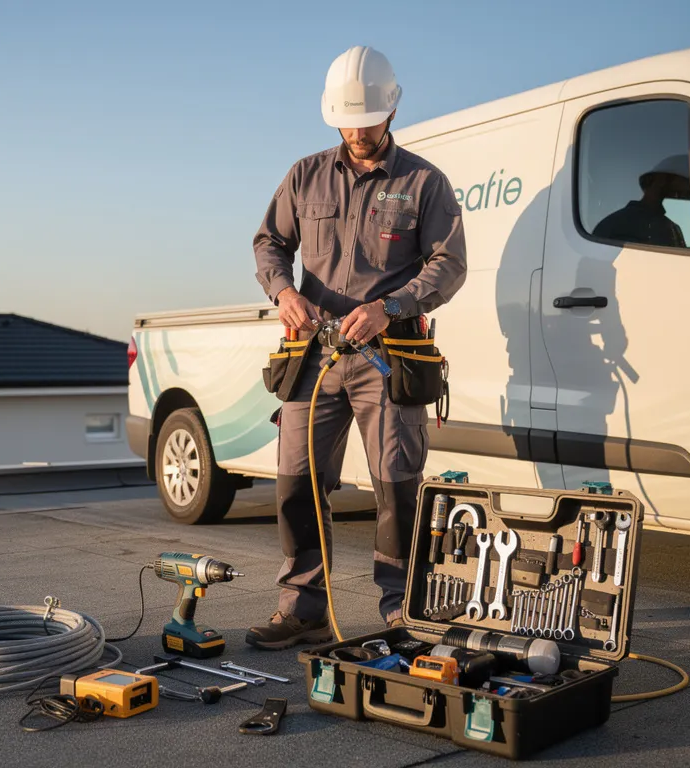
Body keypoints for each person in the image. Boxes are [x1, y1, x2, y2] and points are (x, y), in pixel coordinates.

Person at [247, 46, 468, 649]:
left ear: (390, 111)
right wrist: (283, 291)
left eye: (368, 120)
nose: (358, 132)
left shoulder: (424, 182)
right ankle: (303, 605)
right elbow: (269, 243)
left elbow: (450, 265)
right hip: (312, 357)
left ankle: (402, 610)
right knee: (295, 480)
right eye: (348, 121)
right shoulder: (304, 175)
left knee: (396, 485)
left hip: (387, 359)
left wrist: (388, 307)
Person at [591, 154, 690, 248]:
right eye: (687, 184)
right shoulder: (620, 225)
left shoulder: (670, 227)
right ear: (662, 180)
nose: (688, 192)